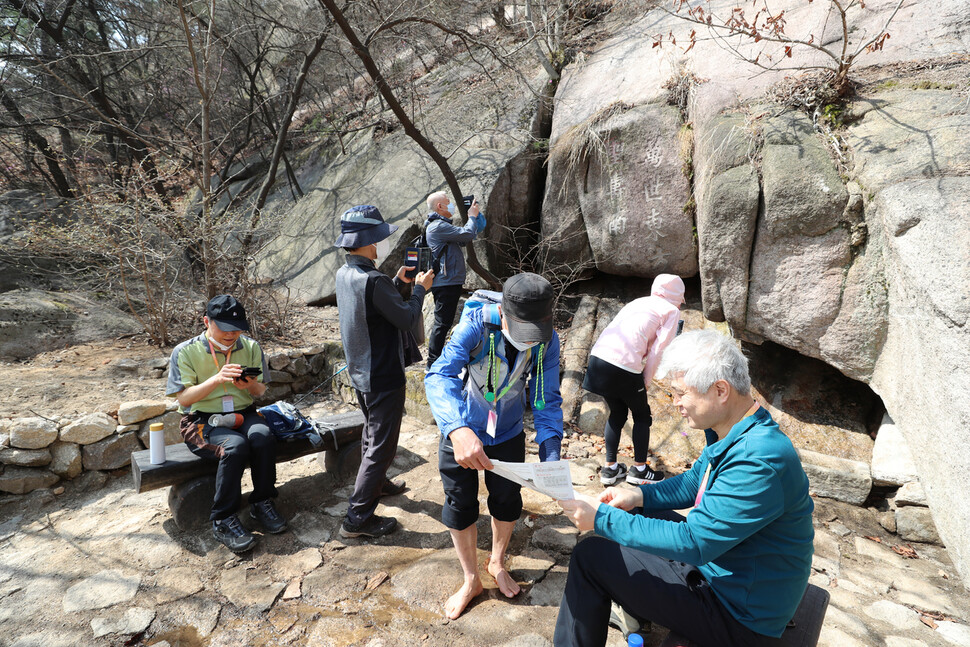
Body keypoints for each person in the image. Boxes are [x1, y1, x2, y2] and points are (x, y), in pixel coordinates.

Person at [556, 330, 814, 647]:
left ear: (721, 390)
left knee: (589, 555)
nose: (675, 403)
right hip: (735, 573)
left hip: (741, 618)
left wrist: (600, 519)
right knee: (636, 510)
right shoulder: (737, 428)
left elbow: (694, 543)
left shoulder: (756, 460)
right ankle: (637, 607)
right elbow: (695, 483)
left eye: (681, 393)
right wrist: (638, 494)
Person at [425, 272, 564, 619]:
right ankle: (471, 578)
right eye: (522, 332)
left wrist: (551, 458)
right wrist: (456, 429)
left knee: (506, 500)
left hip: (508, 431)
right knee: (460, 503)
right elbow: (439, 376)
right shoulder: (473, 328)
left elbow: (545, 400)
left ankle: (497, 561)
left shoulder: (547, 340)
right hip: (464, 429)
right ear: (503, 313)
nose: (527, 342)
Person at [335, 204, 434, 539]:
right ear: (366, 241)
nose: (379, 245)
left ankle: (377, 482)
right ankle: (357, 518)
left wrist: (398, 282)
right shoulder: (373, 280)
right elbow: (406, 318)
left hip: (361, 371)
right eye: (375, 239)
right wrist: (420, 288)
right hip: (383, 374)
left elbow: (375, 306)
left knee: (371, 435)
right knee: (382, 445)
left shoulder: (346, 274)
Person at [167, 294, 284, 553]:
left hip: (243, 412)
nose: (232, 335)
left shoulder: (251, 347)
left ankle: (262, 502)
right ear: (206, 321)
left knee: (263, 436)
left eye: (237, 329)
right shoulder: (185, 351)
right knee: (235, 446)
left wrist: (250, 384)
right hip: (200, 420)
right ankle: (223, 519)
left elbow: (260, 391)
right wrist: (217, 380)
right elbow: (184, 398)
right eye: (225, 328)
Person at [584, 274, 685, 485]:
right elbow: (659, 350)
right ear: (677, 296)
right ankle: (639, 470)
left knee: (618, 412)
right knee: (641, 416)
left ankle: (610, 469)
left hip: (598, 359)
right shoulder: (671, 310)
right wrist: (645, 381)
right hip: (624, 365)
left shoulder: (638, 302)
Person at [424, 190, 485, 369]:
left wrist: (475, 217)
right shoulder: (437, 226)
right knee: (442, 323)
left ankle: (436, 360)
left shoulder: (443, 226)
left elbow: (467, 235)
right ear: (440, 206)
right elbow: (466, 234)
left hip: (449, 281)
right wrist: (471, 217)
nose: (451, 205)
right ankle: (432, 363)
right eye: (448, 202)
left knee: (445, 322)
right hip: (445, 282)